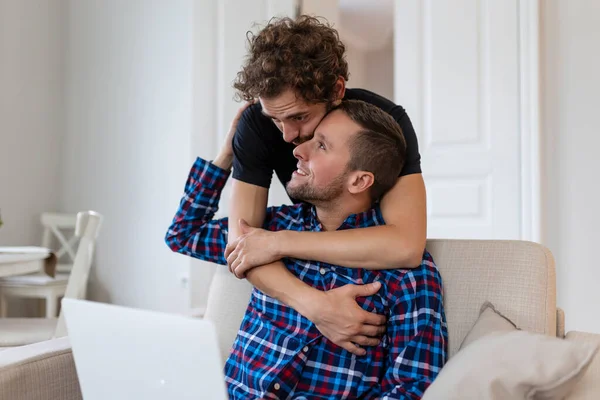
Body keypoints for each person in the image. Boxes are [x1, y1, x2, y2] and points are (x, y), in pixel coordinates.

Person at [166, 100, 447, 399]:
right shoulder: (268, 230)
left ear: (360, 180)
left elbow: (411, 388)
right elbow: (184, 233)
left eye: (322, 146)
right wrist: (228, 155)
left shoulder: (409, 277)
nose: (298, 150)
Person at [223, 15, 427, 355]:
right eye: (275, 119)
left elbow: (406, 245)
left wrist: (278, 243)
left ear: (337, 91)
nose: (288, 137)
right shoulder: (256, 126)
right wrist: (316, 307)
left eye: (300, 117)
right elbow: (242, 249)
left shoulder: (384, 122)